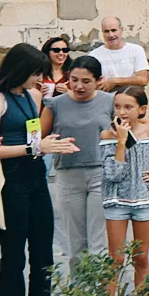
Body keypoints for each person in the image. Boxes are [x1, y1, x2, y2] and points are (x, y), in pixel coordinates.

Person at [0, 44, 78, 296]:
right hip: (11, 182)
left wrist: (48, 145)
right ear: (20, 69)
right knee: (13, 257)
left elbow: (34, 139)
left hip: (34, 178)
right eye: (36, 72)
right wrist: (35, 148)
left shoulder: (31, 96)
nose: (40, 79)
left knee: (43, 254)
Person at [100, 87, 149, 296]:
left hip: (143, 201)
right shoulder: (108, 134)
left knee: (141, 258)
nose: (122, 112)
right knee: (116, 259)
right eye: (117, 106)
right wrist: (121, 142)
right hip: (116, 202)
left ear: (141, 109)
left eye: (128, 107)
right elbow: (113, 174)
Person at [43, 55, 111, 265]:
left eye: (86, 81)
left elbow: (134, 130)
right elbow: (40, 140)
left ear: (99, 80)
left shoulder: (111, 102)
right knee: (76, 245)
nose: (79, 86)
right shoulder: (55, 104)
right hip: (68, 175)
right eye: (74, 80)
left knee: (99, 244)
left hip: (101, 174)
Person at [89, 16, 149, 93]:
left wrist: (115, 81)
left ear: (121, 30)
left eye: (114, 30)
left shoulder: (136, 50)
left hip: (131, 100)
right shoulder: (94, 55)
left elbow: (143, 80)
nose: (111, 35)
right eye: (106, 31)